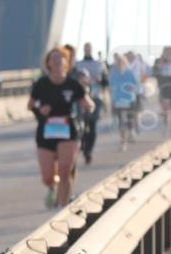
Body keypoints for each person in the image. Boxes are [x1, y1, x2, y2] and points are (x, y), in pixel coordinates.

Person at [28, 47, 93, 209]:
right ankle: (52, 187)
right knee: (48, 176)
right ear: (48, 63)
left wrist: (88, 105)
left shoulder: (73, 84)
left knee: (65, 171)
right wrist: (39, 110)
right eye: (54, 58)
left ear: (66, 62)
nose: (57, 61)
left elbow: (88, 103)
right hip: (46, 131)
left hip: (67, 130)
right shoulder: (41, 84)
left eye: (61, 58)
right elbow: (30, 105)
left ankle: (62, 207)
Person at [74, 43, 110, 164]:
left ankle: (88, 151)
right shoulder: (78, 65)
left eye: (89, 48)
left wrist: (100, 80)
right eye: (86, 49)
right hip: (80, 98)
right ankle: (82, 145)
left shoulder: (98, 64)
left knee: (92, 126)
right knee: (81, 125)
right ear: (84, 50)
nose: (87, 50)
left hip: (95, 97)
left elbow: (105, 82)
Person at [110, 53, 139, 150]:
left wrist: (132, 88)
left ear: (124, 63)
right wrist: (112, 101)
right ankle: (123, 143)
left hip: (129, 99)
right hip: (118, 100)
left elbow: (136, 84)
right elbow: (111, 87)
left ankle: (131, 131)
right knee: (121, 122)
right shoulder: (113, 74)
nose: (119, 65)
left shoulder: (130, 73)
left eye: (121, 63)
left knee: (129, 120)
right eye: (117, 63)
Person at [153, 46, 171, 137]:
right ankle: (166, 126)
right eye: (168, 51)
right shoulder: (158, 61)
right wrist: (161, 63)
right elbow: (154, 72)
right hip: (163, 87)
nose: (170, 53)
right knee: (165, 109)